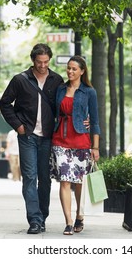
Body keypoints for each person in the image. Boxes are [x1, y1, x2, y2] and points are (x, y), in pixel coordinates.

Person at [0, 43, 64, 234]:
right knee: (29, 178)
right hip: (27, 136)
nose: (43, 66)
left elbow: (65, 106)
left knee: (45, 179)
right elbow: (5, 103)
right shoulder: (20, 80)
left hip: (48, 138)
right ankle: (34, 220)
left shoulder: (57, 80)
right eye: (39, 62)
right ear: (33, 60)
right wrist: (18, 126)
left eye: (46, 62)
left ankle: (42, 216)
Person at [51, 55, 100, 235]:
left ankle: (80, 215)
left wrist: (95, 147)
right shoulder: (60, 89)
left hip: (80, 140)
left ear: (82, 71)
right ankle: (69, 222)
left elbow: (95, 121)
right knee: (64, 180)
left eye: (74, 69)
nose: (70, 71)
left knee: (79, 183)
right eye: (68, 68)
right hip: (60, 139)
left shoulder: (89, 92)